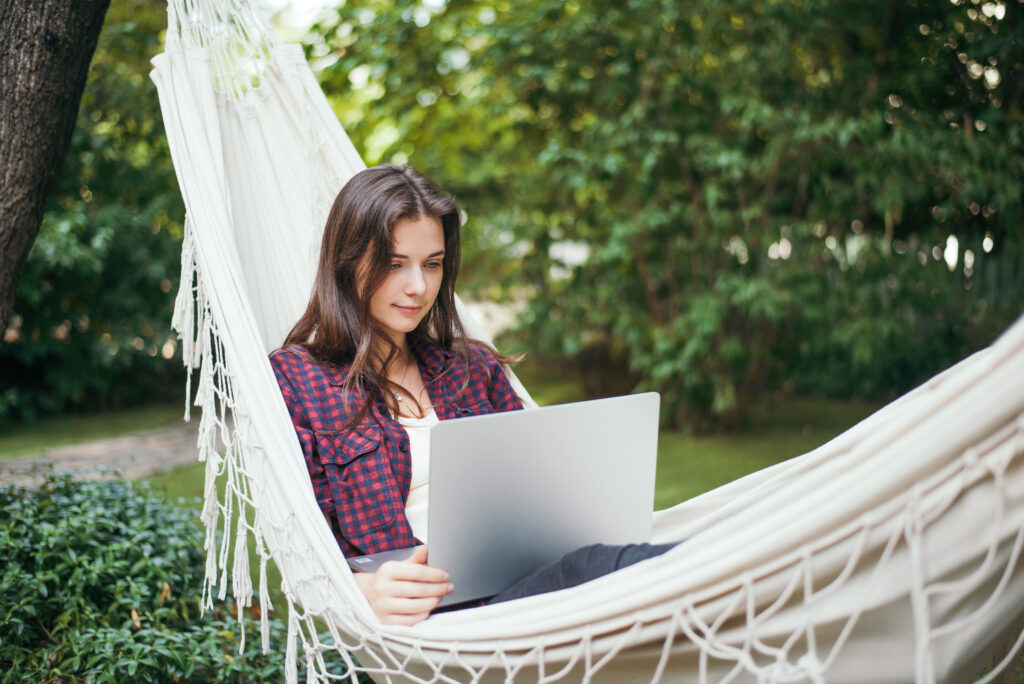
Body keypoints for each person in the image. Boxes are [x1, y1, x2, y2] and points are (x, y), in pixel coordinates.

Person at [270, 164, 674, 625]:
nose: (418, 287)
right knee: (643, 569)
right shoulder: (297, 381)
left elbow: (543, 490)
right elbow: (300, 541)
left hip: (527, 585)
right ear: (347, 262)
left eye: (433, 264)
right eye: (394, 264)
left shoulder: (471, 368)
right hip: (441, 624)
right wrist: (360, 590)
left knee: (626, 561)